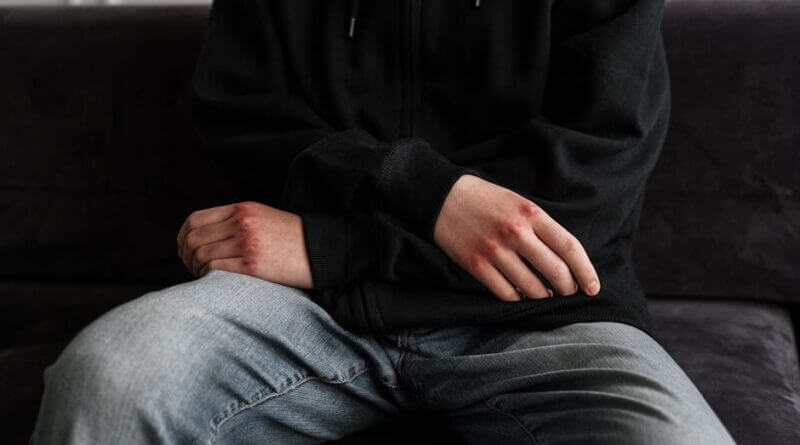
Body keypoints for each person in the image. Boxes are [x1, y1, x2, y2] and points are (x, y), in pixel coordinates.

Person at [32, 0, 737, 443]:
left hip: (539, 317)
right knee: (109, 379)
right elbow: (243, 124)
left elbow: (583, 201)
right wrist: (429, 193)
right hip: (307, 307)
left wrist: (332, 246)